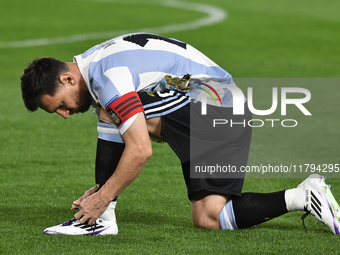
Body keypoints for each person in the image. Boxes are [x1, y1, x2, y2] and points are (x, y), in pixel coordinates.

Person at [20, 32, 340, 236]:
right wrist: (105, 188)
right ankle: (304, 196)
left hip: (220, 110)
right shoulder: (94, 63)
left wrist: (103, 196)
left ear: (66, 80)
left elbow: (140, 150)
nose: (64, 114)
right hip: (201, 103)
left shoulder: (105, 78)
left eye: (60, 106)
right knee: (208, 217)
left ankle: (102, 217)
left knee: (115, 114)